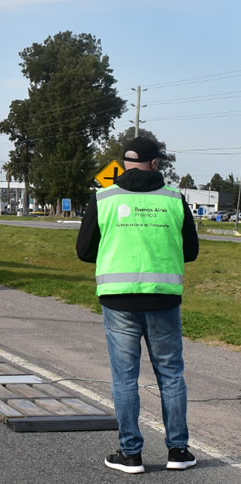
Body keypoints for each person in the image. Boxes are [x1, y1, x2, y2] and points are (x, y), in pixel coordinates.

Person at [76, 137, 199, 474]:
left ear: (125, 163)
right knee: (171, 375)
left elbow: (84, 250)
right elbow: (190, 251)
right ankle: (178, 451)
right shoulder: (175, 198)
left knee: (125, 378)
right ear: (155, 163)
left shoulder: (104, 197)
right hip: (163, 297)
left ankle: (131, 454)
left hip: (119, 299)